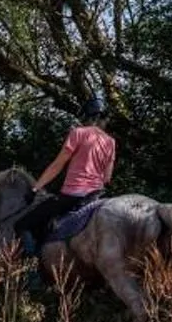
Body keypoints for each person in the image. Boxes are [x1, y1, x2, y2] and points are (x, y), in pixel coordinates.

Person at [17, 90, 118, 246]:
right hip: (95, 196)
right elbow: (107, 178)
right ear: (103, 118)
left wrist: (35, 189)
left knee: (22, 225)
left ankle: (33, 264)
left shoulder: (78, 133)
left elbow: (57, 165)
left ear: (87, 116)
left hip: (73, 195)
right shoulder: (110, 142)